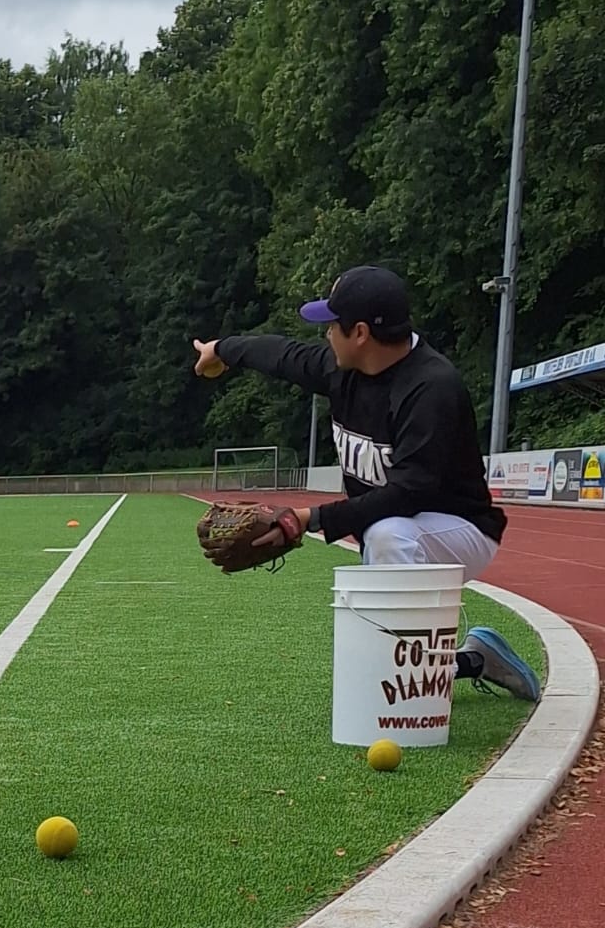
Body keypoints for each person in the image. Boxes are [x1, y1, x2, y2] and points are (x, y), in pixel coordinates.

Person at [194, 264, 538, 700]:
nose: (325, 334)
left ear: (359, 333)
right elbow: (281, 355)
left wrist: (308, 518)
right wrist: (221, 349)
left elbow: (408, 493)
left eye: (331, 324)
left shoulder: (432, 388)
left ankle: (412, 697)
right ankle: (471, 661)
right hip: (400, 526)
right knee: (382, 557)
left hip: (460, 529)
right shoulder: (344, 369)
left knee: (387, 536)